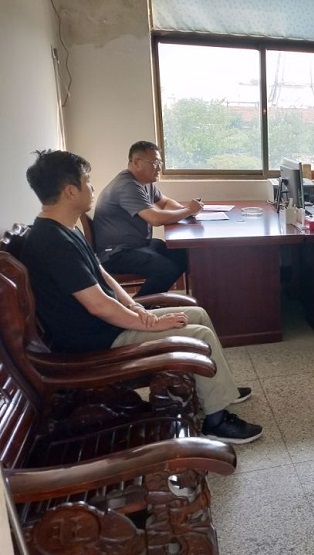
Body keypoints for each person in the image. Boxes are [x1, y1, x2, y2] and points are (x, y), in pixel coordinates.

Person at [21, 149, 262, 444]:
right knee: (197, 333)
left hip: (108, 325)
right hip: (97, 340)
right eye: (87, 181)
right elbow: (98, 305)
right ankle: (216, 421)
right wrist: (149, 323)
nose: (92, 187)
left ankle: (218, 393)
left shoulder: (64, 228)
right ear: (70, 191)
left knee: (197, 314)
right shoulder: (52, 242)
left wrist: (133, 305)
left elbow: (101, 274)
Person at [92, 140, 203, 295]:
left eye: (160, 162)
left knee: (182, 254)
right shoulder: (127, 185)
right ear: (137, 163)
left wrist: (187, 211)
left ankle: (158, 300)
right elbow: (155, 219)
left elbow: (165, 202)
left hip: (136, 245)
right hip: (116, 253)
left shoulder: (145, 183)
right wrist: (188, 211)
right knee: (167, 269)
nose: (159, 167)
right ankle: (139, 306)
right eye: (154, 162)